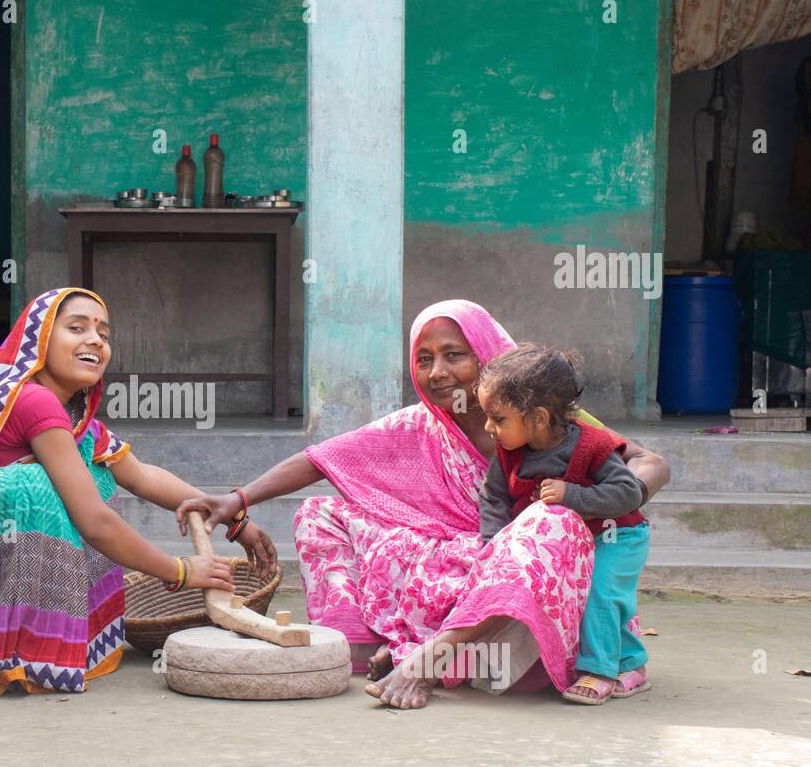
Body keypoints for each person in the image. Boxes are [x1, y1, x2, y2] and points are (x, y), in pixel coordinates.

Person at [178, 299, 670, 709]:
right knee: (320, 514)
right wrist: (239, 499)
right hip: (471, 557)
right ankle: (358, 645)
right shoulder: (420, 422)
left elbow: (651, 464)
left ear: (487, 356)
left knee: (550, 519)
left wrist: (601, 500)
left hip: (535, 568)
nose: (438, 373)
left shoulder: (551, 417)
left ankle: (431, 656)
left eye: (454, 354)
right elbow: (321, 460)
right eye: (424, 358)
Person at [0, 287, 276, 698]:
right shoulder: (32, 401)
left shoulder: (75, 418)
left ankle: (39, 635)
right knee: (30, 487)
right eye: (76, 328)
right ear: (39, 342)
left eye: (104, 333)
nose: (95, 339)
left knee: (90, 471)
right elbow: (94, 522)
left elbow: (142, 476)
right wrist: (180, 571)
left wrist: (236, 517)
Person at [476, 343, 652, 706]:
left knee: (599, 594)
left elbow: (628, 492)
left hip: (616, 537)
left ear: (538, 417)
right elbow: (494, 498)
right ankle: (632, 665)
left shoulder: (592, 446)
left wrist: (572, 495)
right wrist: (492, 543)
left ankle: (600, 672)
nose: (488, 427)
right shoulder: (510, 453)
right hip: (565, 547)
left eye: (498, 418)